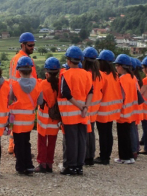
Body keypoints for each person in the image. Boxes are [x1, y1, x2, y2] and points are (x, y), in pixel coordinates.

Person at [58, 46, 93, 176]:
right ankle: (79, 166)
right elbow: (91, 92)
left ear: (68, 60)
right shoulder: (87, 74)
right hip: (83, 114)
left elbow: (65, 93)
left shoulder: (65, 74)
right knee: (82, 139)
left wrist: (79, 106)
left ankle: (70, 166)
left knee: (71, 141)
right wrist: (85, 107)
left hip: (70, 114)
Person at [9, 56, 42, 176]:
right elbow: (40, 102)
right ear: (31, 70)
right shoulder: (38, 84)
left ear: (18, 71)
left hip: (17, 120)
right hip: (29, 119)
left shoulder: (15, 84)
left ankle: (20, 166)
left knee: (18, 143)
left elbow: (10, 99)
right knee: (27, 142)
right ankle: (29, 166)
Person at [8, 32, 38, 155]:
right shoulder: (25, 60)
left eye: (33, 45)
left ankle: (12, 147)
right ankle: (18, 149)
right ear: (23, 44)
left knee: (16, 125)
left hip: (16, 95)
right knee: (22, 127)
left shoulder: (15, 58)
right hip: (23, 95)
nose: (32, 47)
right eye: (30, 45)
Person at [112, 54, 143, 164]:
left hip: (123, 112)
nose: (116, 68)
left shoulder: (121, 79)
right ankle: (130, 156)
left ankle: (124, 157)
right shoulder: (133, 77)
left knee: (123, 137)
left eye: (117, 65)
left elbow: (121, 97)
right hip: (132, 111)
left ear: (121, 66)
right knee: (129, 135)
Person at [94, 50, 122, 165]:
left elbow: (98, 92)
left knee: (103, 134)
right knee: (108, 133)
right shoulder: (115, 74)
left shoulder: (101, 76)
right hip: (112, 109)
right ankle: (107, 155)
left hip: (102, 110)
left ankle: (103, 157)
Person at [35, 57, 61, 173]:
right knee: (52, 142)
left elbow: (39, 101)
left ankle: (42, 164)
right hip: (54, 120)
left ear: (47, 71)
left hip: (43, 119)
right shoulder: (60, 83)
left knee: (42, 142)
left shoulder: (42, 84)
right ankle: (49, 164)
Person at [81, 47, 102, 166]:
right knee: (91, 132)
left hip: (86, 107)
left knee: (86, 133)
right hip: (95, 108)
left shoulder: (86, 74)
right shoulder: (98, 75)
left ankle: (85, 157)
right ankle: (90, 156)